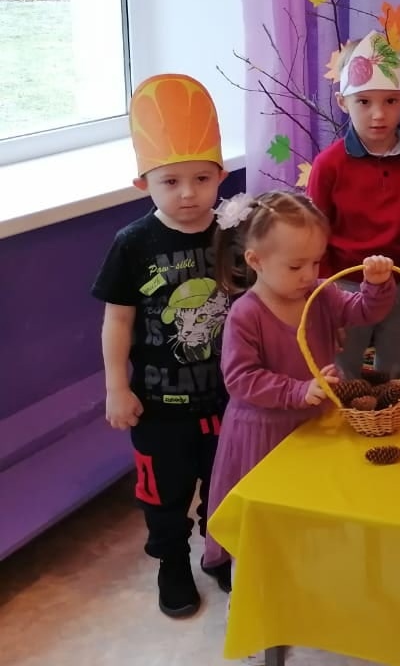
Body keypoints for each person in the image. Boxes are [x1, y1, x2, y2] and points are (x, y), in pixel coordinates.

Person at [91, 73, 232, 618]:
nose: (188, 193)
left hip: (227, 400)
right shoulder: (132, 244)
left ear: (222, 175)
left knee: (225, 484)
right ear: (142, 183)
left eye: (202, 177)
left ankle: (219, 553)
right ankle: (172, 561)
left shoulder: (236, 234)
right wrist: (116, 386)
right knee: (164, 494)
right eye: (170, 181)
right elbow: (117, 320)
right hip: (157, 407)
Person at [202, 192, 395, 576]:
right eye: (295, 266)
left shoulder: (320, 294)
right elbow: (240, 378)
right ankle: (258, 585)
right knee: (267, 521)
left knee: (310, 509)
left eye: (315, 262)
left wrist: (376, 285)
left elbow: (362, 312)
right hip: (264, 434)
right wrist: (297, 390)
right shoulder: (245, 314)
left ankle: (305, 577)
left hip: (313, 426)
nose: (309, 274)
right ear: (255, 261)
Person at [306, 28, 400, 381]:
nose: (378, 114)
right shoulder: (328, 165)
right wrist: (323, 298)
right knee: (341, 374)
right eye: (364, 102)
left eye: (390, 101)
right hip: (345, 287)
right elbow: (314, 237)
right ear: (343, 102)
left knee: (399, 376)